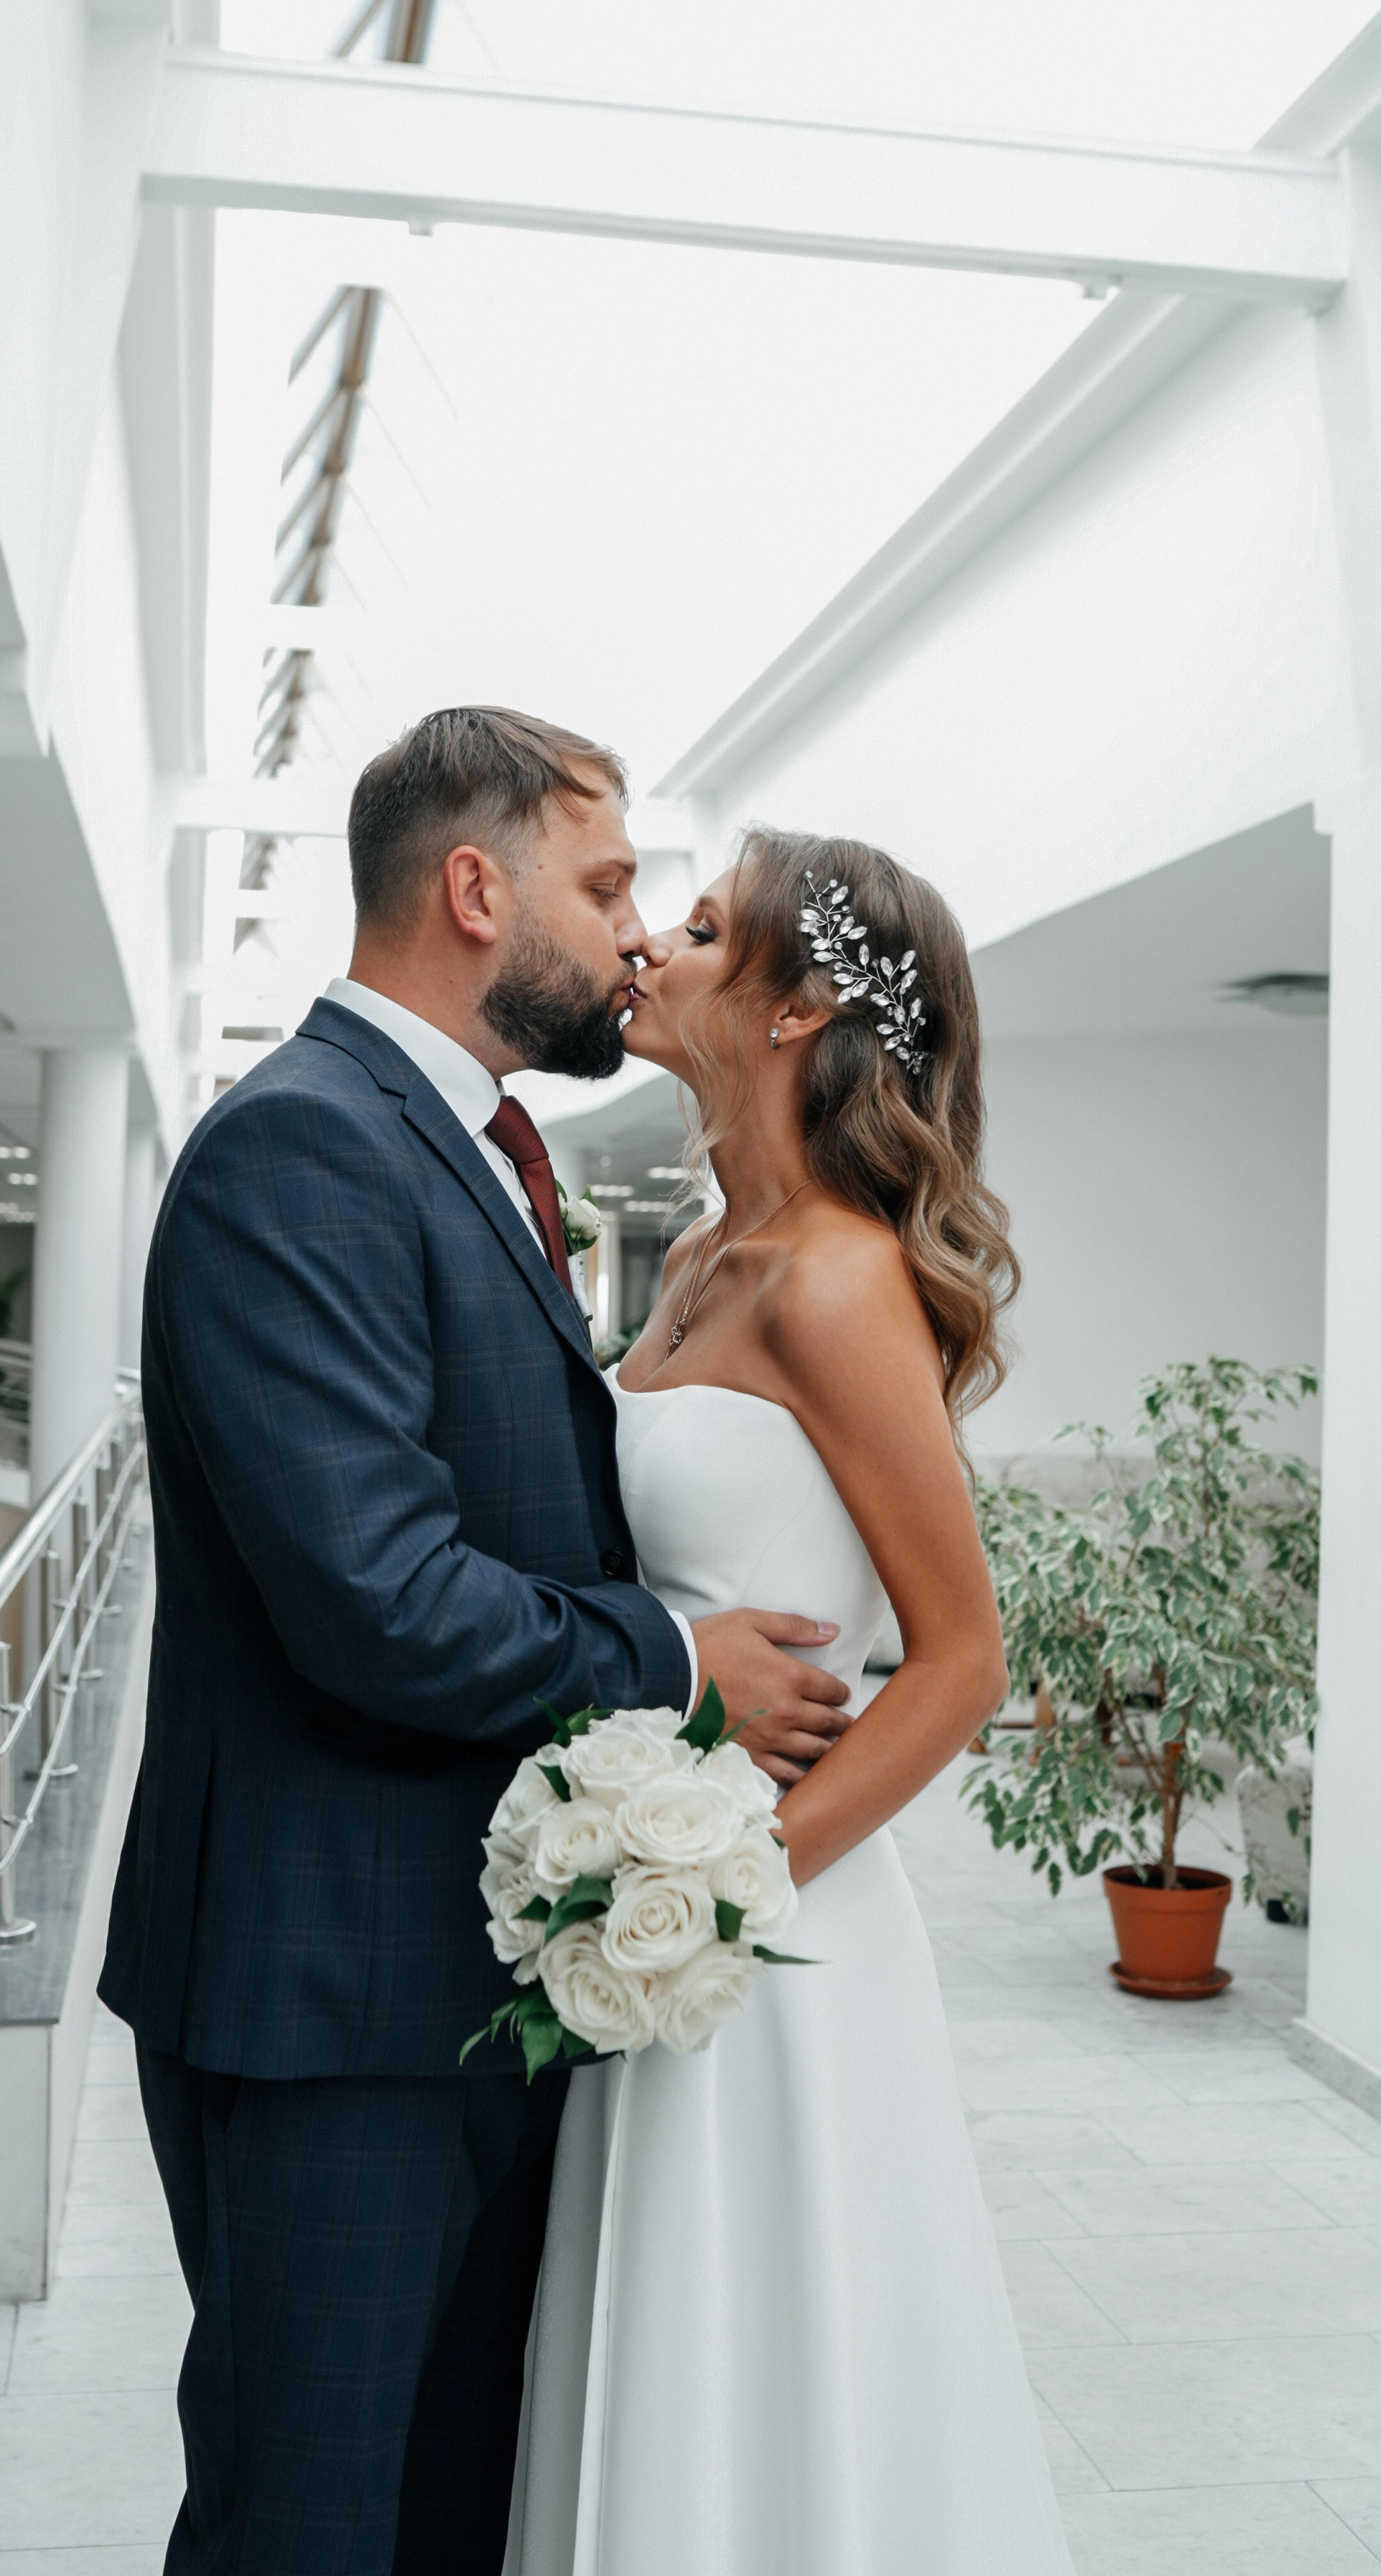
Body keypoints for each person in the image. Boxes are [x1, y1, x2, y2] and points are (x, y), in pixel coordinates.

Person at [97, 711, 854, 2575]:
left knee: (439, 2517)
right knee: (310, 2527)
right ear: (472, 890)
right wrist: (678, 1665)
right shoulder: (305, 1148)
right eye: (605, 887)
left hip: (456, 1981)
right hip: (330, 2008)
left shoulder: (462, 1146)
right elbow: (377, 1593)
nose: (636, 933)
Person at [506, 828, 1075, 2575]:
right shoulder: (697, 1260)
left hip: (769, 1918)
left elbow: (961, 1661)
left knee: (764, 2362)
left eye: (698, 928)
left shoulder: (836, 1275)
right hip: (648, 1873)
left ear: (799, 1006)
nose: (650, 948)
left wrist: (716, 1896)